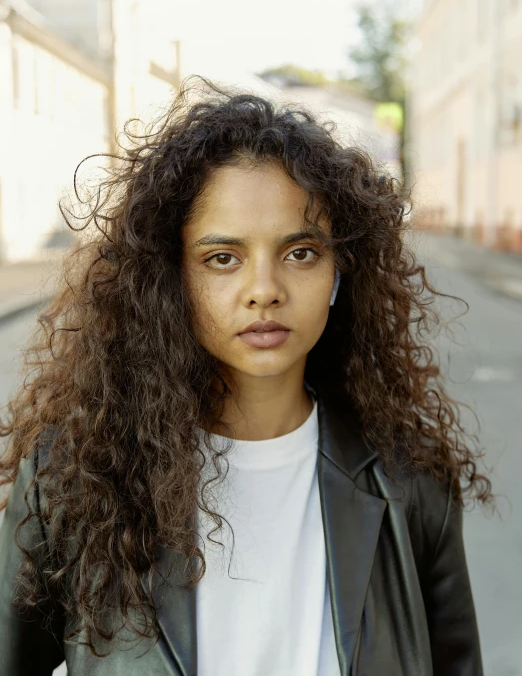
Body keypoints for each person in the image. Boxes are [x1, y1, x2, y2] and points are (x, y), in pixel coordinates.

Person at [0, 75, 492, 675]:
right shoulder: (72, 475)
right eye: (222, 258)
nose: (264, 290)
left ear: (342, 271)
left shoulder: (411, 480)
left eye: (300, 252)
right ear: (171, 279)